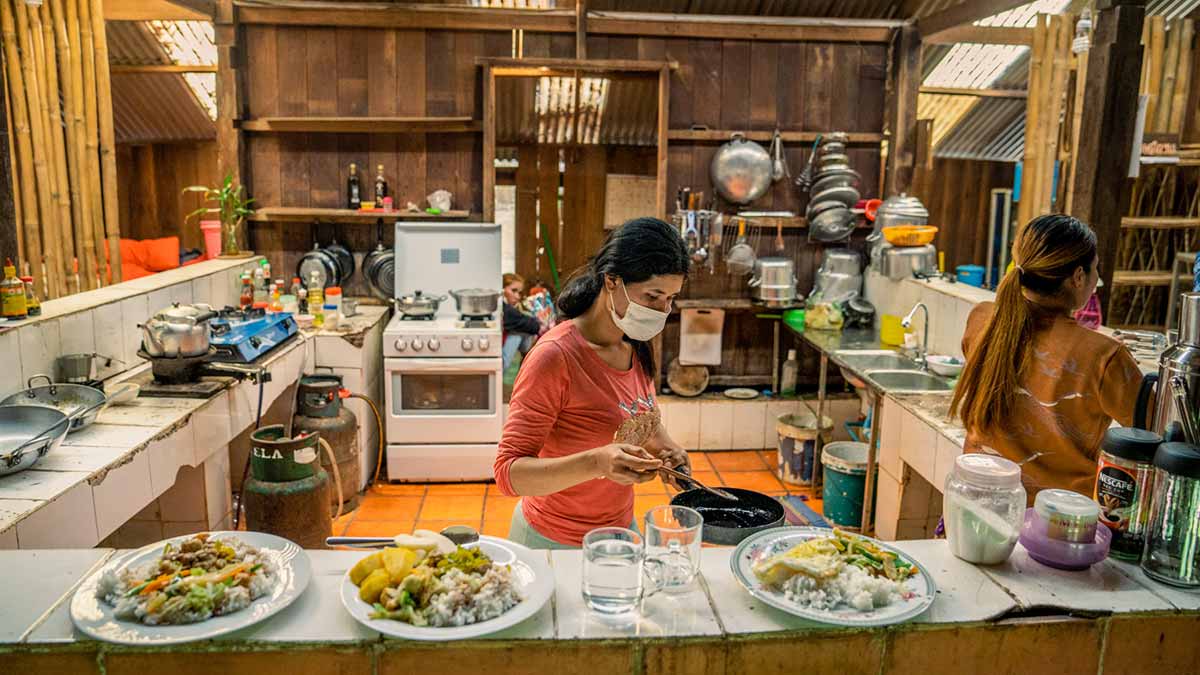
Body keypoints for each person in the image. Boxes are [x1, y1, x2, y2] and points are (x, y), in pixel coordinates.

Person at [493, 217, 692, 549]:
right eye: (653, 296)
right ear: (612, 281)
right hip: (552, 541)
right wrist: (598, 462)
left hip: (619, 532)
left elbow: (641, 420)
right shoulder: (555, 357)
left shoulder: (636, 344)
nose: (662, 310)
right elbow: (508, 473)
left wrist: (669, 452)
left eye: (670, 299)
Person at [952, 214, 1145, 500]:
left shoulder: (982, 320)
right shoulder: (1104, 357)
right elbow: (1152, 435)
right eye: (1095, 270)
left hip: (974, 503)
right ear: (1078, 277)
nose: (1096, 280)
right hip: (1056, 525)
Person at [501, 273, 544, 373]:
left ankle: (528, 364)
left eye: (519, 292)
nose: (517, 296)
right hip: (499, 364)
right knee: (520, 332)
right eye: (513, 290)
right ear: (502, 290)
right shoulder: (505, 310)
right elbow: (534, 326)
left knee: (523, 330)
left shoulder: (510, 309)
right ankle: (528, 365)